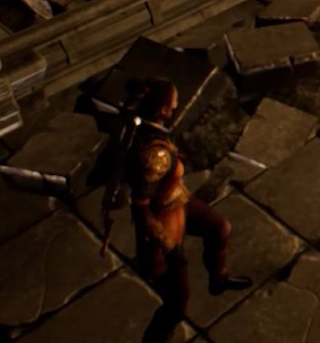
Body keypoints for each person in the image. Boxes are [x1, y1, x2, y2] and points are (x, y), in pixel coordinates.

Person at [104, 79, 251, 342]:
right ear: (162, 110)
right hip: (162, 219)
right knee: (177, 304)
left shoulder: (145, 126)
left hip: (177, 201)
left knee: (220, 229)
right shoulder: (156, 157)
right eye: (172, 104)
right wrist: (168, 245)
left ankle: (218, 280)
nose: (175, 107)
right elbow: (140, 209)